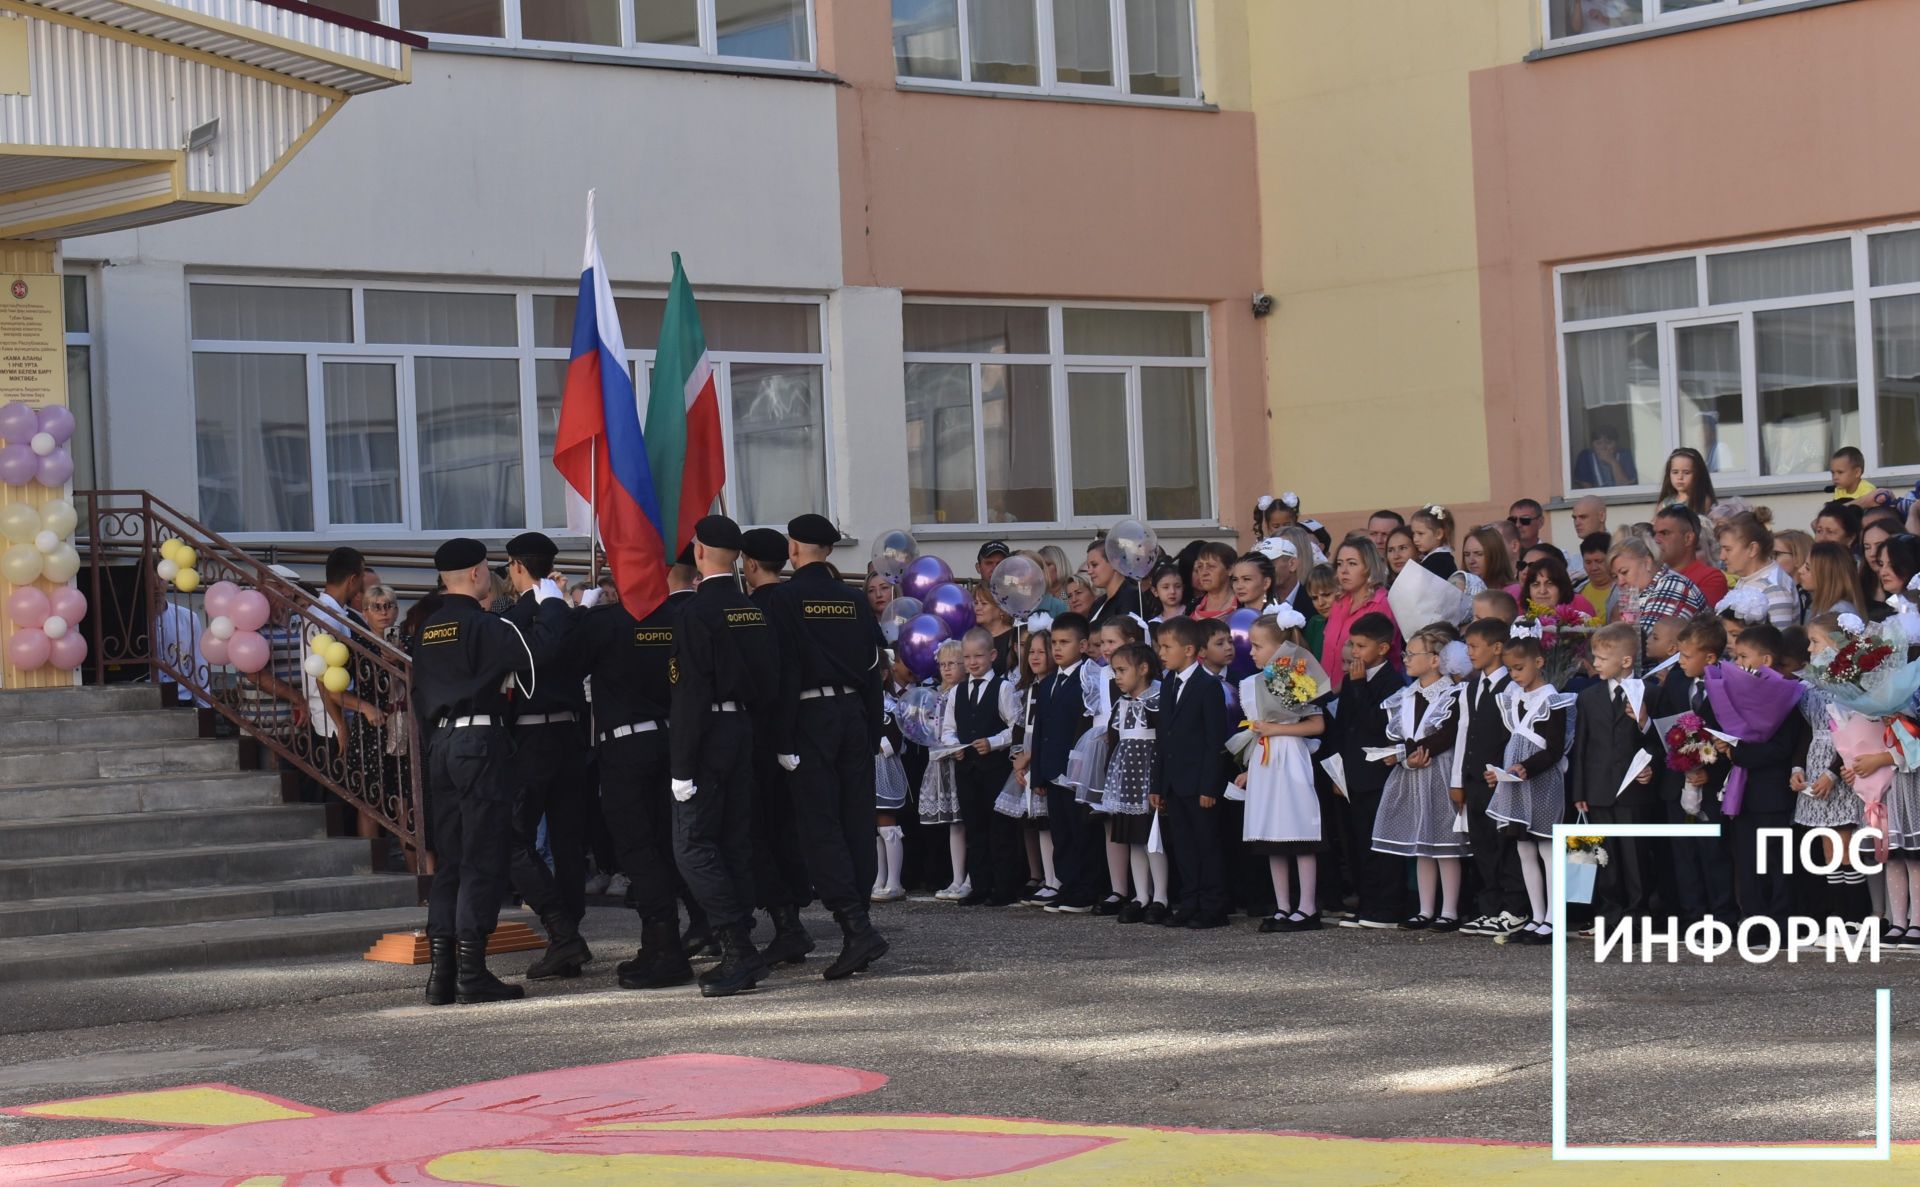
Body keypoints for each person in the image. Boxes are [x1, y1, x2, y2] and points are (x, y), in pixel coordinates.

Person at [410, 537, 569, 1005]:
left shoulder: (427, 628)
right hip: (479, 742)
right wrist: (553, 605)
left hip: (441, 744)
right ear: (479, 573)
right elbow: (538, 654)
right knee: (483, 857)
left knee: (452, 863)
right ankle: (473, 972)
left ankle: (441, 974)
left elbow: (420, 698)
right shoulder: (483, 624)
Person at [669, 515, 783, 998]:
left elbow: (689, 693)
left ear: (698, 552)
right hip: (742, 728)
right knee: (734, 841)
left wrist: (681, 767)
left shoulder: (696, 612)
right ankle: (743, 946)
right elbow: (770, 680)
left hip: (710, 731)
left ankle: (736, 948)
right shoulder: (751, 608)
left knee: (693, 843)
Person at [576, 553, 699, 990]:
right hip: (672, 740)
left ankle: (664, 948)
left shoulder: (606, 621)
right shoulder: (678, 617)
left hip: (626, 747)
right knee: (666, 846)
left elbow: (565, 657)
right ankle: (662, 945)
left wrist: (581, 608)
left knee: (638, 850)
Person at [778, 513, 891, 980]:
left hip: (810, 719)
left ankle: (856, 926)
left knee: (820, 825)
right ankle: (858, 924)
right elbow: (873, 670)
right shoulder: (852, 599)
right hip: (852, 716)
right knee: (855, 822)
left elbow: (782, 673)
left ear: (794, 547)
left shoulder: (785, 598)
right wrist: (871, 730)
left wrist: (783, 738)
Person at [494, 532, 595, 982]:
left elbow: (541, 654)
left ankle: (563, 934)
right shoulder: (563, 613)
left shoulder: (517, 617)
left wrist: (552, 604)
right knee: (566, 839)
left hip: (537, 740)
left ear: (516, 566)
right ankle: (567, 936)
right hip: (570, 735)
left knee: (518, 839)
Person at [738, 527, 816, 968]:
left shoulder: (757, 608)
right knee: (783, 829)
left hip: (763, 733)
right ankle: (790, 919)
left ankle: (787, 924)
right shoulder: (789, 601)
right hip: (793, 732)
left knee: (761, 832)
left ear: (749, 564)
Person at [1234, 609, 1327, 933]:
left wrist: (1276, 730)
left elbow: (1316, 724)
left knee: (1298, 831)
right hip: (1265, 761)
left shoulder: (1295, 676)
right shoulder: (1253, 682)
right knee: (1272, 834)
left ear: (1280, 648)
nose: (1252, 652)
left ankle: (1307, 907)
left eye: (1258, 646)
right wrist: (1248, 766)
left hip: (1289, 758)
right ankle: (1283, 905)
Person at [1371, 623, 1469, 931]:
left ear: (1436, 659)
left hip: (1440, 771)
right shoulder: (1405, 696)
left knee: (1444, 844)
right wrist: (1401, 755)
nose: (1407, 659)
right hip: (1412, 774)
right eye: (1406, 653)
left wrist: (1407, 752)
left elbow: (1447, 734)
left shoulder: (1453, 694)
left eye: (1413, 653)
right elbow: (1398, 735)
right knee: (1421, 843)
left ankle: (1449, 910)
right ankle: (1426, 909)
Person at [1483, 624, 1572, 947]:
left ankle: (1553, 918)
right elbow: (1511, 741)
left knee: (1546, 849)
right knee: (1524, 849)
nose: (1515, 675)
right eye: (1510, 670)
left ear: (1539, 662)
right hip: (1518, 784)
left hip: (1543, 783)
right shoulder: (1513, 698)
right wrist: (1501, 771)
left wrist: (1525, 768)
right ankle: (1536, 916)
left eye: (1519, 668)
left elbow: (1554, 748)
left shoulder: (1554, 701)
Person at [1714, 624, 1807, 927]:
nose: (1737, 664)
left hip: (1773, 792)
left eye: (1743, 656)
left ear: (1766, 660)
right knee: (1747, 860)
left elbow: (1781, 748)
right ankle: (1752, 918)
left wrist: (1736, 752)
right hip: (1744, 794)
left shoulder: (1785, 695)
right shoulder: (1735, 691)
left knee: (1776, 861)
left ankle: (1779, 920)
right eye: (1735, 656)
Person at [1649, 614, 1736, 927]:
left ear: (1710, 657)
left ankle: (1723, 916)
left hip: (1712, 785)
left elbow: (1735, 735)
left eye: (1686, 656)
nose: (1680, 662)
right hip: (1677, 781)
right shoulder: (1675, 680)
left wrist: (1708, 773)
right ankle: (1692, 916)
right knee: (1683, 853)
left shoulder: (1729, 683)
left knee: (1714, 853)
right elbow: (1663, 726)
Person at [1567, 623, 1655, 929]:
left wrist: (1643, 721)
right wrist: (1578, 791)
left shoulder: (1649, 691)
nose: (1596, 663)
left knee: (1635, 856)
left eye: (1603, 658)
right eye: (1595, 657)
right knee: (1604, 856)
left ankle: (1637, 914)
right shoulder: (1588, 697)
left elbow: (1659, 741)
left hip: (1633, 790)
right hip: (1597, 788)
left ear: (1626, 660)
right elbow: (1581, 746)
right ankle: (1608, 913)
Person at [1329, 612, 1410, 929]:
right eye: (1352, 644)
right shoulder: (1352, 679)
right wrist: (1337, 771)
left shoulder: (1392, 682)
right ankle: (1367, 901)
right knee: (1358, 841)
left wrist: (1361, 686)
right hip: (1353, 774)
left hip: (1379, 775)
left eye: (1361, 646)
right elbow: (1343, 726)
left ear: (1383, 648)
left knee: (1382, 844)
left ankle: (1389, 906)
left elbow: (1379, 726)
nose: (1355, 652)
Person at [1151, 616, 1232, 929]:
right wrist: (1158, 783)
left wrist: (1210, 787)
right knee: (1183, 845)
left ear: (1188, 650)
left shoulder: (1207, 686)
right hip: (1174, 781)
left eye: (1167, 646)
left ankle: (1213, 906)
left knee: (1207, 845)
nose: (1161, 652)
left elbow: (1215, 742)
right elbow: (1164, 737)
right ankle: (1190, 901)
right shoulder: (1169, 683)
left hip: (1199, 782)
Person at [1453, 618, 1526, 940]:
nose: (1468, 653)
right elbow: (1463, 734)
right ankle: (1489, 908)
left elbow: (1517, 735)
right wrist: (1457, 779)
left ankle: (1514, 909)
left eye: (1473, 646)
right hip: (1474, 780)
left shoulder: (1512, 688)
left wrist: (1507, 771)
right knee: (1481, 844)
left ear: (1497, 648)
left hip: (1501, 781)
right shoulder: (1469, 687)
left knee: (1505, 845)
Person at [942, 626, 1021, 906]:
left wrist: (994, 742)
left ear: (992, 655)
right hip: (967, 769)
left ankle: (1004, 887)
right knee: (974, 827)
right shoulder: (957, 692)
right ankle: (980, 884)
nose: (973, 663)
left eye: (979, 656)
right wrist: (954, 747)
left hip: (995, 768)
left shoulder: (1004, 688)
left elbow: (1016, 727)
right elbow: (948, 728)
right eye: (968, 657)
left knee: (999, 829)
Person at [1031, 612, 1095, 913]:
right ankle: (1067, 885)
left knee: (1081, 832)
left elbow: (1088, 727)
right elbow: (1041, 729)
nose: (1057, 649)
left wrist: (1080, 765)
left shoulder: (1088, 678)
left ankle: (1085, 889)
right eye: (1054, 642)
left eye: (1065, 643)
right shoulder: (1047, 684)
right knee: (1061, 833)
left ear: (1083, 645)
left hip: (1077, 770)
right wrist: (1038, 776)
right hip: (1052, 769)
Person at [1097, 641, 1163, 922]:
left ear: (1144, 669)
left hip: (1149, 781)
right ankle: (1140, 895)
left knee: (1153, 840)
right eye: (1115, 671)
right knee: (1134, 839)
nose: (1118, 677)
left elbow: (1163, 743)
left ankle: (1161, 896)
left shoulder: (1157, 701)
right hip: (1127, 784)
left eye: (1122, 670)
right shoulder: (1120, 705)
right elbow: (1115, 744)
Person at [1000, 629, 1058, 903]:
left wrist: (1030, 757)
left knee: (1044, 821)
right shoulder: (1026, 688)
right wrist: (1017, 760)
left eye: (1041, 651)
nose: (1034, 656)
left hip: (1041, 756)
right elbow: (1019, 728)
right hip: (1024, 757)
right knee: (1028, 822)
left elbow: (1047, 730)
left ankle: (1053, 878)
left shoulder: (1053, 685)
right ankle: (1036, 875)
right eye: (1031, 651)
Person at [1319, 536, 1397, 689]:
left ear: (1369, 567)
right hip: (1327, 693)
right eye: (1340, 564)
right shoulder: (1338, 601)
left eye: (1352, 564)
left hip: (1364, 693)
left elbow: (1377, 660)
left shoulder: (1381, 604)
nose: (1344, 571)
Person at [1610, 534, 1707, 644]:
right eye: (1615, 577)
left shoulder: (1673, 584)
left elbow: (1646, 643)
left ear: (1647, 563)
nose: (1620, 582)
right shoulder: (1639, 592)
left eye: (1624, 572)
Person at [872, 656, 913, 904]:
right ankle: (879, 877)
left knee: (887, 823)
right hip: (866, 768)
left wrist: (873, 741)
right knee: (874, 828)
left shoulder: (892, 705)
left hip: (885, 769)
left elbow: (897, 743)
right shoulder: (860, 704)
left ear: (884, 674)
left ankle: (895, 881)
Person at [1714, 511, 1796, 629]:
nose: (1722, 556)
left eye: (1728, 549)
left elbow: (1779, 641)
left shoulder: (1774, 588)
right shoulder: (1748, 579)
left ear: (1753, 549)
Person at [1652, 505, 1727, 607]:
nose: (1656, 539)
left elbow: (1691, 617)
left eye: (1664, 533)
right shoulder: (1653, 574)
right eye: (1654, 533)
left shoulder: (1711, 578)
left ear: (1688, 538)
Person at [1086, 537, 1146, 629]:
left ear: (1114, 562)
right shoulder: (1098, 603)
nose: (1089, 571)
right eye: (1088, 566)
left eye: (1094, 565)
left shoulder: (1131, 596)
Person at [1518, 555, 1595, 621]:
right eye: (1536, 584)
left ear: (1562, 588)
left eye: (1550, 584)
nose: (1542, 591)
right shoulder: (1521, 622)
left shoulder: (1581, 620)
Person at [1657, 447, 1716, 518]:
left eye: (1686, 473)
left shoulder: (1703, 501)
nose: (1680, 477)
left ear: (1698, 474)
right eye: (1675, 472)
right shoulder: (1664, 504)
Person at [972, 584, 1018, 675]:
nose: (977, 608)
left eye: (984, 603)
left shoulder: (1014, 636)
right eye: (976, 603)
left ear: (1001, 609)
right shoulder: (974, 636)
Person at [1186, 542, 1238, 620]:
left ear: (1230, 569)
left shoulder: (1242, 606)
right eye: (1200, 566)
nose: (1204, 573)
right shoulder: (1192, 607)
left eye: (1211, 566)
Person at [1575, 533, 1616, 622]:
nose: (1594, 568)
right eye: (1588, 562)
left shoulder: (1623, 591)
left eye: (1599, 561)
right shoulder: (1577, 590)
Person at [1462, 525, 1516, 592]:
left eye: (1479, 554)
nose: (1471, 561)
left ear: (1495, 554)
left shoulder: (1512, 591)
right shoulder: (1460, 589)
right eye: (1467, 555)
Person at [1410, 504, 1458, 579]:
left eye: (1420, 534)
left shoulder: (1438, 562)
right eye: (1413, 534)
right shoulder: (1433, 558)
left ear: (1439, 534)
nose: (1415, 539)